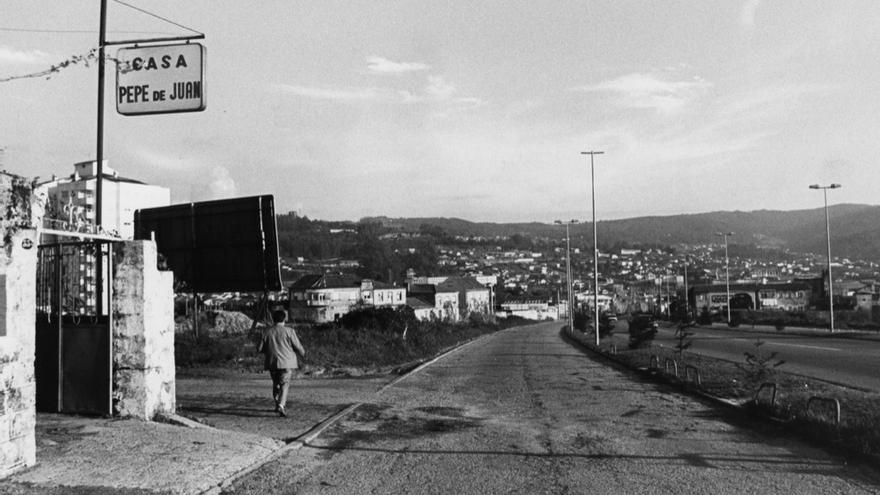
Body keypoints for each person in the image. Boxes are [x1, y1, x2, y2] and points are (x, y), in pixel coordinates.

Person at [257, 309, 306, 417]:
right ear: (284, 319)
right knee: (285, 384)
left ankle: (277, 403)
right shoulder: (290, 331)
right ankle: (281, 405)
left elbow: (259, 348)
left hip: (272, 362)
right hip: (287, 362)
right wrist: (303, 353)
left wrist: (268, 350)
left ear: (273, 319)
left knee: (276, 383)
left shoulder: (266, 332)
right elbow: (298, 347)